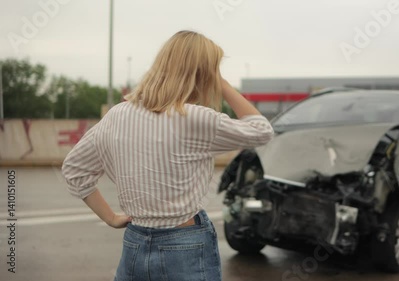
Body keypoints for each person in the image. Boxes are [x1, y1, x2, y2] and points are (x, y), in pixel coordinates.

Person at [61, 30, 274, 281]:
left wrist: (110, 218)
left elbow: (74, 169)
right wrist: (222, 83)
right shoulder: (194, 118)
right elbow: (262, 131)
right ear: (203, 74)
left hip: (134, 242)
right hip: (186, 245)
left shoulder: (117, 115)